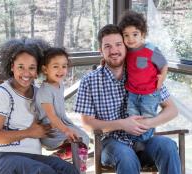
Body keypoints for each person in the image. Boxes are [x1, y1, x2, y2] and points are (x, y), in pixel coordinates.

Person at [75, 24, 181, 174]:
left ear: (125, 46)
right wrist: (122, 124)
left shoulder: (145, 72)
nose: (114, 51)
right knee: (126, 156)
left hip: (145, 139)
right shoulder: (89, 81)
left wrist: (149, 123)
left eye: (118, 44)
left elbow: (172, 110)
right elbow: (87, 124)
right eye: (107, 46)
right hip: (112, 143)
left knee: (168, 146)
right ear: (101, 51)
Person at [0, 38, 79, 174]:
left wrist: (64, 135)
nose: (26, 73)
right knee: (43, 171)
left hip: (33, 157)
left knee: (69, 170)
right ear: (12, 67)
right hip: (4, 157)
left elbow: (49, 123)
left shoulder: (39, 93)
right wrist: (30, 132)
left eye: (31, 68)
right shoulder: (1, 94)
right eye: (20, 67)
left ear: (38, 70)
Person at [118, 10, 168, 151]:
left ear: (143, 34)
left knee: (147, 118)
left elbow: (164, 65)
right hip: (132, 92)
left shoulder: (151, 49)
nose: (130, 39)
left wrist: (162, 78)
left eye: (135, 34)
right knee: (132, 115)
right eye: (126, 35)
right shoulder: (126, 51)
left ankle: (144, 143)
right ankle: (135, 142)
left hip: (149, 93)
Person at [36, 47, 89, 171]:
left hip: (61, 125)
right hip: (51, 131)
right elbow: (52, 116)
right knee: (79, 141)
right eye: (55, 66)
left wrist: (67, 128)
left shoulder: (59, 85)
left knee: (84, 139)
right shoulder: (45, 91)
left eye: (64, 66)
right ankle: (72, 167)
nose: (61, 70)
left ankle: (75, 168)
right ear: (45, 69)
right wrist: (66, 130)